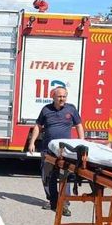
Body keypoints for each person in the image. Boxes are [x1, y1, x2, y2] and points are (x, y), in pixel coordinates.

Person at [28, 86, 85, 217]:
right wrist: (32, 142)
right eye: (59, 96)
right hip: (48, 149)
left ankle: (64, 204)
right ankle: (52, 200)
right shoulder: (46, 110)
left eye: (64, 96)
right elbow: (38, 126)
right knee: (47, 176)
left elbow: (79, 125)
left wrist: (82, 141)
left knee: (65, 176)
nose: (62, 99)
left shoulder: (71, 109)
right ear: (53, 97)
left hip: (65, 151)